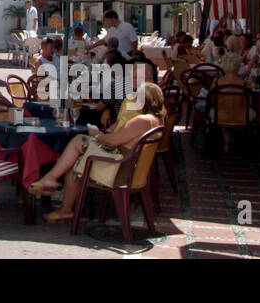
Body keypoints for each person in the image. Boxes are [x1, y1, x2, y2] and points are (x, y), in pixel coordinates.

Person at [29, 82, 166, 223]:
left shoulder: (141, 120)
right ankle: (56, 191)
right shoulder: (157, 120)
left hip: (120, 170)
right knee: (78, 153)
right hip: (131, 167)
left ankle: (58, 194)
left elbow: (112, 141)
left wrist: (96, 134)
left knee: (78, 151)